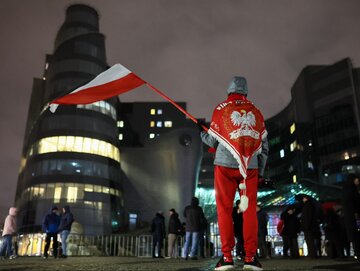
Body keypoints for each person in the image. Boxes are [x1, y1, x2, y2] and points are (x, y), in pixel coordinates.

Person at [200, 76, 268, 270]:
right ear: (246, 92)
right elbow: (264, 146)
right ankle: (250, 259)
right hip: (250, 166)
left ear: (229, 91)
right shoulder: (256, 111)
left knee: (224, 210)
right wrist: (260, 171)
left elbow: (212, 141)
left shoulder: (221, 109)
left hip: (225, 165)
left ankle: (227, 258)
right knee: (249, 213)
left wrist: (200, 130)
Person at [342, 174, 360, 261]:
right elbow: (357, 202)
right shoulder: (353, 189)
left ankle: (357, 254)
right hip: (354, 216)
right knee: (356, 235)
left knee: (353, 236)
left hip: (349, 217)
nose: (358, 181)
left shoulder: (345, 189)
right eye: (357, 179)